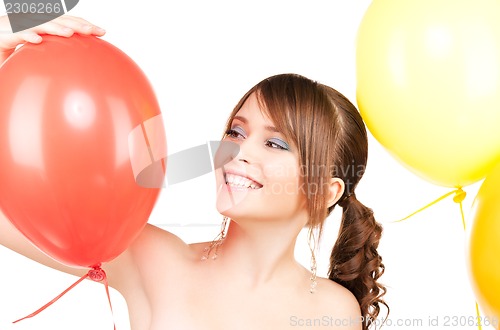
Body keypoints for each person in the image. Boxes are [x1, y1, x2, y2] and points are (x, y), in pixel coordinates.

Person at [0, 15, 387, 330]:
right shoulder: (153, 260)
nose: (236, 150)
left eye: (275, 143)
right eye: (236, 131)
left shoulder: (336, 314)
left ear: (327, 189)